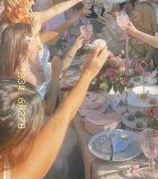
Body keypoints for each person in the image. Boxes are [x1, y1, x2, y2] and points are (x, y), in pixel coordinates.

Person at [0, 43, 109, 179]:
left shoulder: (19, 81)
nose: (39, 44)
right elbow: (58, 115)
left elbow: (21, 101)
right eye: (33, 37)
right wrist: (86, 74)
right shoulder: (17, 174)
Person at [0, 23, 86, 115]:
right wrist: (54, 77)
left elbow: (59, 69)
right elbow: (46, 110)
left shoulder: (30, 62)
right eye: (36, 36)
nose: (39, 39)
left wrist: (75, 46)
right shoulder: (20, 78)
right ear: (26, 45)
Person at [129, 1, 158, 68]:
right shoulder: (133, 28)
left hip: (145, 71)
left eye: (136, 10)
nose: (133, 12)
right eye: (134, 10)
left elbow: (147, 60)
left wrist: (130, 65)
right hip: (129, 66)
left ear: (145, 14)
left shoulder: (153, 36)